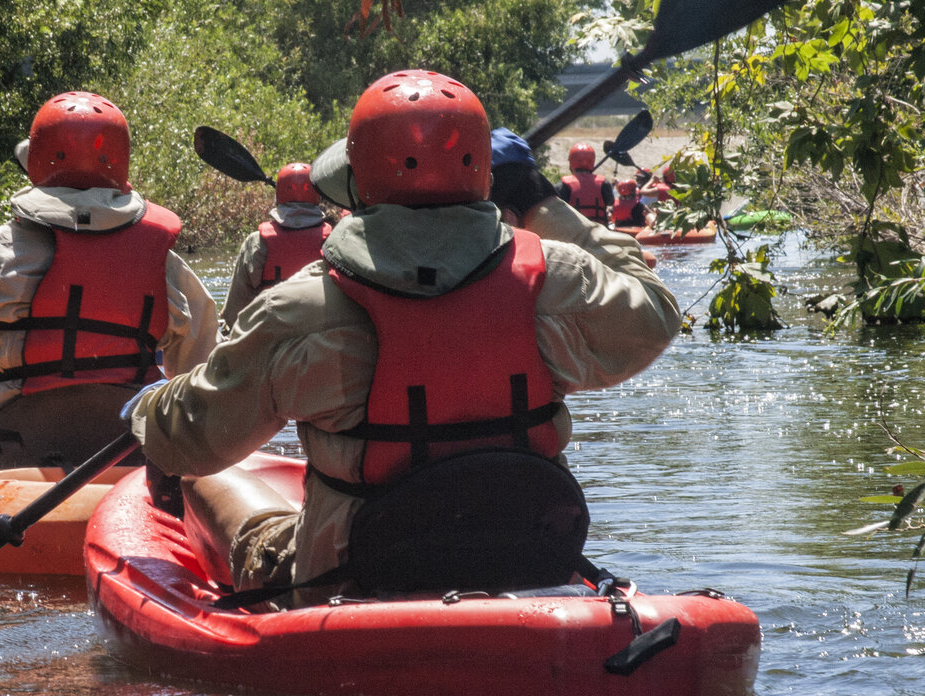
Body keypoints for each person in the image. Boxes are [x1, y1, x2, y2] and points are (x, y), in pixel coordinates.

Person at [124, 69, 679, 606]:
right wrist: (542, 204)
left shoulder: (300, 309)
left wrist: (148, 409)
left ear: (358, 179)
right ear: (485, 176)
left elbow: (191, 441)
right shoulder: (557, 279)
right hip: (527, 561)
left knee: (206, 480)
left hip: (348, 582)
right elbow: (655, 310)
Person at [0, 90, 218, 471]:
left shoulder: (5, 248)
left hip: (13, 454)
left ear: (38, 162)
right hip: (130, 454)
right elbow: (204, 371)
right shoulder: (163, 261)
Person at [217, 163, 332, 335]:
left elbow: (233, 313)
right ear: (317, 197)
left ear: (278, 198)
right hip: (320, 338)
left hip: (270, 337)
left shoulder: (256, 242)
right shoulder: (333, 241)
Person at [555, 141, 613, 223]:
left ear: (571, 162)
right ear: (592, 161)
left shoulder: (563, 185)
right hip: (599, 228)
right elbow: (610, 205)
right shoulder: (604, 183)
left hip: (573, 228)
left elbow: (556, 210)